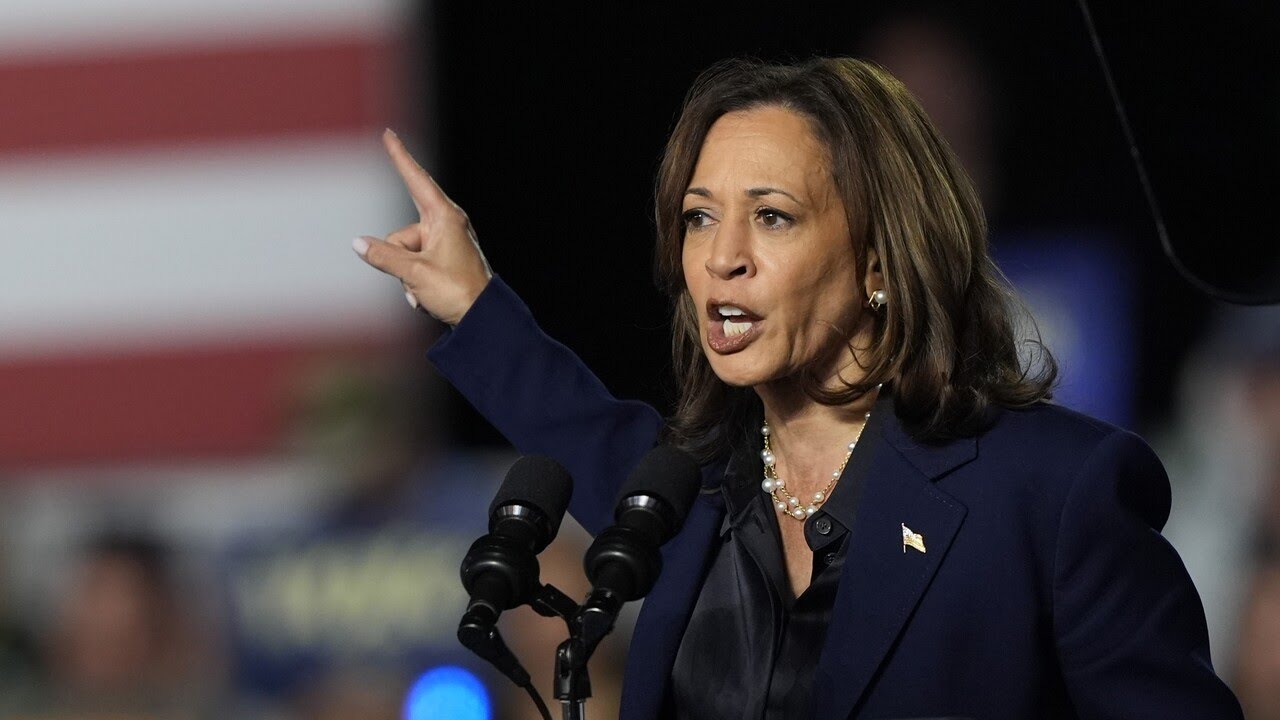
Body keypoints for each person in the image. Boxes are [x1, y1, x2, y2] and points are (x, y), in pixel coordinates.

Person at [353, 57, 1243, 719]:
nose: (722, 256)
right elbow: (573, 421)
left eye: (772, 217)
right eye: (700, 216)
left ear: (880, 260)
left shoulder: (1054, 492)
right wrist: (470, 298)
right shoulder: (686, 497)